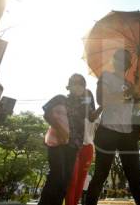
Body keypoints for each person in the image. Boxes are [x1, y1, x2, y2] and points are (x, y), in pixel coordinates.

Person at [86, 49, 140, 205]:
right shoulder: (106, 76)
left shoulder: (130, 84)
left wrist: (137, 95)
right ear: (114, 61)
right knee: (101, 175)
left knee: (136, 177)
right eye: (119, 58)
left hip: (128, 135)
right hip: (107, 131)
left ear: (128, 65)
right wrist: (128, 92)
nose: (122, 62)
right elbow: (102, 99)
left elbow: (135, 110)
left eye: (126, 60)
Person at [38, 74, 95, 205]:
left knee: (65, 181)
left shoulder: (83, 106)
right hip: (57, 142)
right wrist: (60, 129)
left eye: (81, 83)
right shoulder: (60, 98)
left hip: (74, 145)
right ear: (69, 86)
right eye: (75, 83)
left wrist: (104, 105)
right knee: (57, 175)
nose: (78, 86)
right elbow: (46, 114)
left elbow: (92, 117)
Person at [65, 90, 101, 205]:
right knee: (72, 179)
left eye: (88, 97)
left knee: (81, 181)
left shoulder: (96, 118)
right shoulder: (73, 111)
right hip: (74, 147)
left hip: (88, 149)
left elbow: (99, 135)